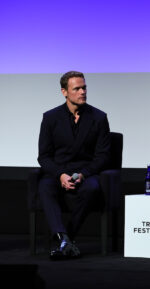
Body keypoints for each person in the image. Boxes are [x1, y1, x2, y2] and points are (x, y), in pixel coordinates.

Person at [38, 71, 111, 260]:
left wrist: (83, 174)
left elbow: (103, 156)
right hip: (58, 172)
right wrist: (60, 174)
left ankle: (65, 240)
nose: (82, 92)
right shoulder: (50, 118)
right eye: (76, 89)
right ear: (64, 92)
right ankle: (64, 239)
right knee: (45, 187)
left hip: (86, 172)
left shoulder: (99, 117)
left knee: (92, 189)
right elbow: (44, 157)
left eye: (84, 87)